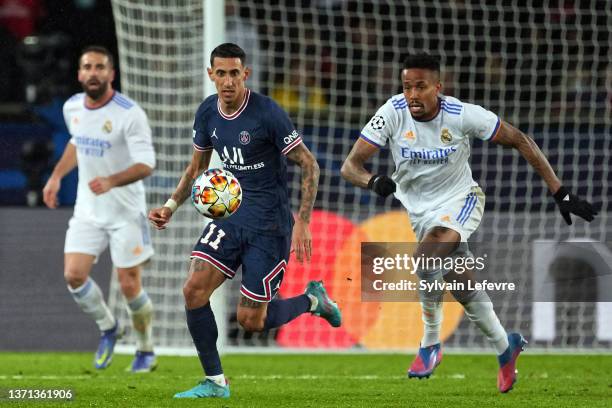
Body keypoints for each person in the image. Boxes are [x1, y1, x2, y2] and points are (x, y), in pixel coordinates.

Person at [341, 53, 596, 393]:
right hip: (420, 212)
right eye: (406, 87)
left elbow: (520, 140)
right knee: (460, 285)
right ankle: (506, 346)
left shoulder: (463, 115)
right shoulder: (392, 113)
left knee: (425, 260)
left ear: (438, 87)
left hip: (461, 201)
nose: (412, 95)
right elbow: (350, 166)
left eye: (420, 87)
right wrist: (372, 181)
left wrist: (560, 191)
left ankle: (430, 343)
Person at [148, 43, 342, 399]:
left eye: (234, 73)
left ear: (245, 75)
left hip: (269, 226)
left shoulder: (267, 114)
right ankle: (215, 382)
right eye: (220, 73)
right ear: (211, 75)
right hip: (230, 217)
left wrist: (303, 221)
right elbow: (197, 168)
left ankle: (314, 302)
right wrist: (171, 205)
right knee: (193, 290)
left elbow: (309, 163)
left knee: (251, 321)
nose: (227, 81)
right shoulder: (207, 113)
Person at [42, 46, 158, 373]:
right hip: (88, 210)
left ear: (111, 74)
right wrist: (55, 176)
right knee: (74, 276)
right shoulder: (72, 107)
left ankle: (146, 349)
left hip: (125, 211)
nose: (93, 72)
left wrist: (112, 180)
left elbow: (147, 163)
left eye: (100, 67)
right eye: (87, 67)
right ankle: (109, 328)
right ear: (79, 74)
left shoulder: (129, 113)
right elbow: (78, 142)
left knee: (129, 284)